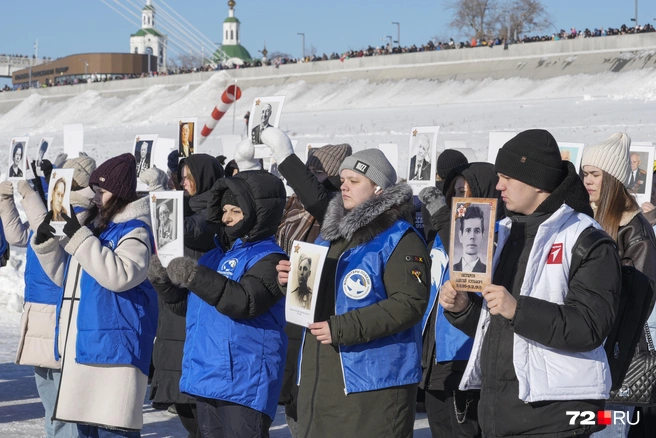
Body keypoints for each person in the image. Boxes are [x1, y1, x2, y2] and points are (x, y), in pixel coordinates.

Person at [440, 129, 622, 437]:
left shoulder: (586, 239)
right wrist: (462, 310)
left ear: (536, 181)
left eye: (506, 177)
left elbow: (590, 327)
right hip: (500, 413)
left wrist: (517, 309)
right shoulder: (504, 232)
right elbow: (498, 330)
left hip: (556, 418)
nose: (499, 186)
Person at [263, 127, 431, 437]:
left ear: (379, 189)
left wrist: (342, 327)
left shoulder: (401, 239)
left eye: (355, 181)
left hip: (373, 384)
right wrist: (294, 282)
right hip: (321, 375)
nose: (345, 187)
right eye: (343, 181)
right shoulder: (333, 235)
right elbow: (325, 296)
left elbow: (409, 304)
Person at [148, 139, 288, 438]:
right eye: (224, 211)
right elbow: (189, 306)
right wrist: (164, 281)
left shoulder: (271, 259)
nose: (225, 218)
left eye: (234, 212)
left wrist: (195, 275)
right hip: (206, 374)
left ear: (255, 214)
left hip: (244, 381)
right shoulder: (216, 254)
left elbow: (244, 302)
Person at [32, 153, 158, 437]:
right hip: (84, 347)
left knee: (114, 431)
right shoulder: (94, 227)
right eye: (96, 191)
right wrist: (47, 244)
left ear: (123, 193)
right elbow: (66, 280)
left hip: (115, 353)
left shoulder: (136, 230)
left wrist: (79, 237)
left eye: (103, 191)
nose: (97, 197)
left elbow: (119, 276)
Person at [580, 132, 656, 438]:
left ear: (612, 179)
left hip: (616, 360)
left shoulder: (634, 231)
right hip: (589, 352)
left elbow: (633, 308)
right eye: (585, 173)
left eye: (595, 174)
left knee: (608, 431)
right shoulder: (590, 219)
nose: (587, 181)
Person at [418, 162, 501, 438]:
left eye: (465, 191)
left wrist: (443, 218)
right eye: (455, 192)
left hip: (465, 358)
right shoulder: (445, 238)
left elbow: (472, 278)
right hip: (436, 358)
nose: (458, 199)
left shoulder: (496, 234)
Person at [274, 143, 351, 438]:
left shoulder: (332, 205)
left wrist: (283, 154)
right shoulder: (292, 207)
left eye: (319, 171)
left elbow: (316, 199)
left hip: (322, 313)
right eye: (309, 171)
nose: (312, 177)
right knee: (294, 388)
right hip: (294, 305)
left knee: (308, 389)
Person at [148, 154, 223, 438]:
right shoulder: (183, 206)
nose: (184, 182)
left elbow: (196, 231)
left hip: (197, 310)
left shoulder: (215, 211)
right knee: (186, 410)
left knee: (203, 410)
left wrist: (164, 208)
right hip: (173, 311)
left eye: (190, 176)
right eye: (182, 176)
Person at [452, 205, 487, 273]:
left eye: (477, 231)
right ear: (460, 236)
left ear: (482, 236)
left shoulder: (487, 271)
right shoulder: (452, 269)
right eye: (468, 230)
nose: (472, 237)